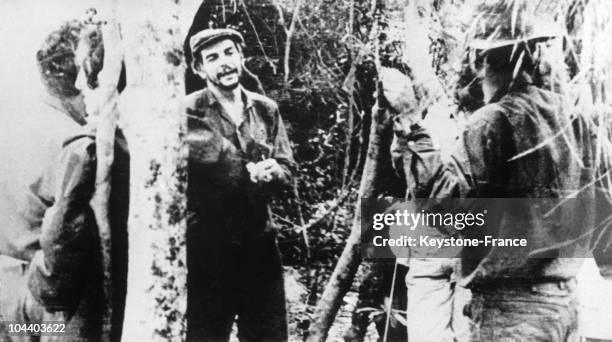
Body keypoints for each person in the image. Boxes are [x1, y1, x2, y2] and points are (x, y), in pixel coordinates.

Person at [380, 2, 612, 341]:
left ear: (484, 61)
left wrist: (411, 124)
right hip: (563, 308)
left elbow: (445, 211)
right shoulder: (581, 122)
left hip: (509, 315)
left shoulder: (494, 121)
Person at [0, 20, 129, 341]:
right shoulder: (77, 143)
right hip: (56, 303)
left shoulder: (11, 129)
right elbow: (70, 234)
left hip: (9, 292)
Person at [183, 28, 295, 341]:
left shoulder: (265, 109)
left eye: (230, 53)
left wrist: (276, 172)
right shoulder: (187, 111)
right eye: (212, 58)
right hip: (208, 246)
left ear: (241, 56)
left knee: (268, 335)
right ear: (199, 68)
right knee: (205, 334)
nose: (224, 63)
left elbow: (289, 169)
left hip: (259, 243)